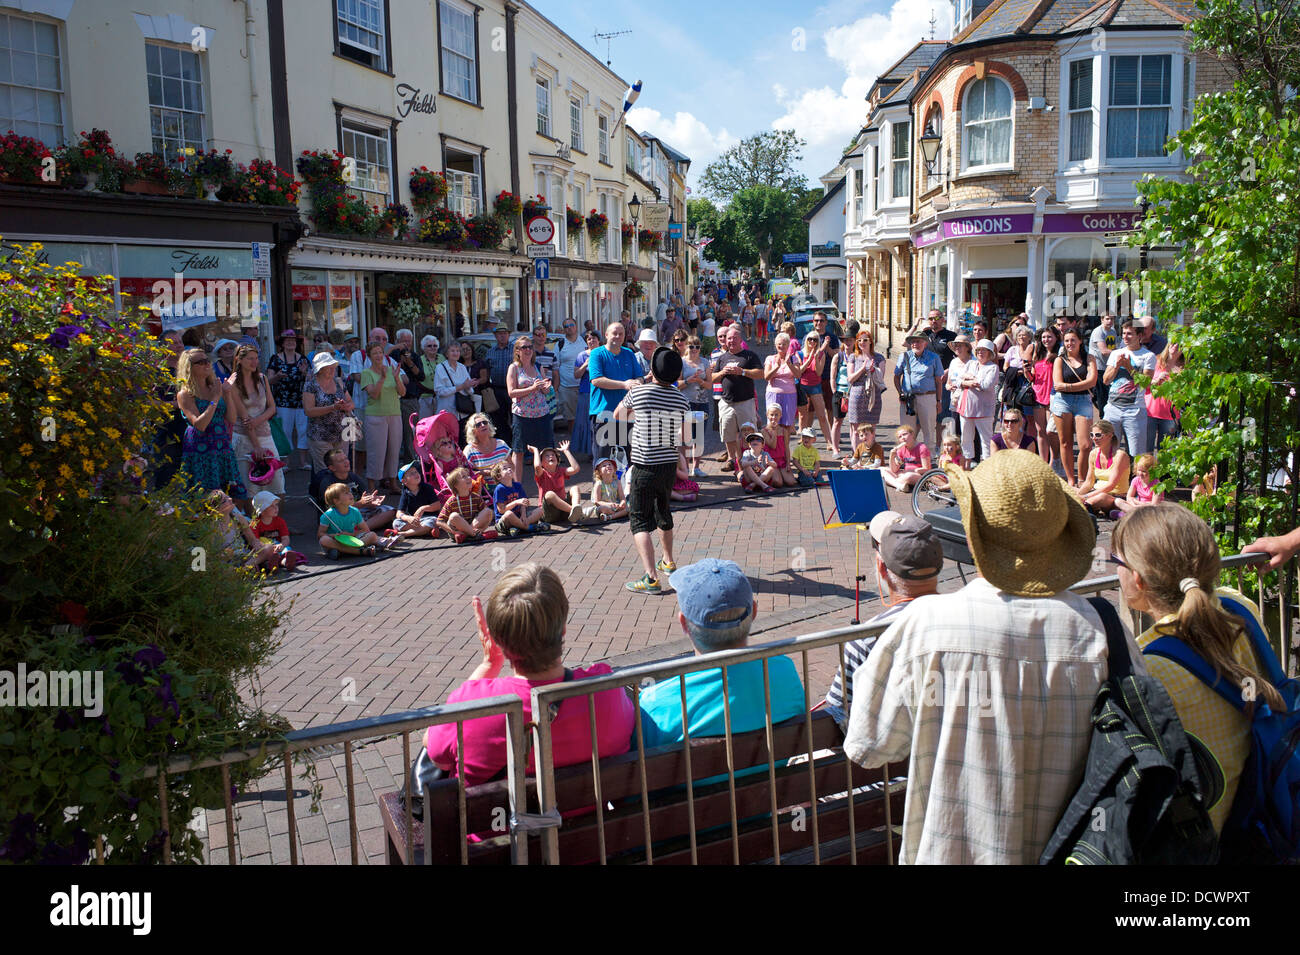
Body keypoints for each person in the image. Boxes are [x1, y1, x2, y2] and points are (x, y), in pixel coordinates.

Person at [846, 449, 1130, 864]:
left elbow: (870, 746)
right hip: (1074, 852)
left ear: (973, 528)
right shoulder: (1102, 627)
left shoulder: (927, 625)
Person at [1113, 504, 1284, 834]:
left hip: (1210, 834)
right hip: (1264, 805)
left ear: (1137, 578)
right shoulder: (1241, 606)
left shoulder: (1148, 668)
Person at [424, 564, 636, 786]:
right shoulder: (605, 688)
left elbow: (436, 755)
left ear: (499, 639)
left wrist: (489, 665)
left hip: (496, 820)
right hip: (596, 819)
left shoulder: (472, 703)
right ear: (563, 627)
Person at [637, 558, 804, 747]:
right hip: (781, 777)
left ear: (684, 623)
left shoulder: (655, 703)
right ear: (754, 612)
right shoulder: (785, 671)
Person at [823, 512, 942, 727]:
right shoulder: (969, 621)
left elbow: (837, 715)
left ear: (881, 567)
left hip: (891, 756)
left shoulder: (865, 640)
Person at [615, 346, 691, 595]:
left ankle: (651, 578)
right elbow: (687, 436)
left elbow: (619, 415)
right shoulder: (681, 398)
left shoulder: (640, 392)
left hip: (644, 463)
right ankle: (668, 561)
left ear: (652, 370)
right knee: (663, 510)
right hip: (668, 463)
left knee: (639, 520)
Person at [177, 347, 246, 504]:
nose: (206, 364)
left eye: (207, 360)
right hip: (201, 449)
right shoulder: (185, 394)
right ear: (189, 367)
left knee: (232, 492)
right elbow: (199, 425)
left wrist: (227, 393)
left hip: (221, 445)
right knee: (204, 496)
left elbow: (231, 418)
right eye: (200, 362)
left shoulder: (215, 387)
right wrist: (215, 399)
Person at [228, 343, 284, 497]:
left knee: (277, 486)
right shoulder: (233, 383)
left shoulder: (262, 378)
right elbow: (244, 418)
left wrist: (258, 420)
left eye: (256, 358)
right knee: (250, 488)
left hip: (265, 433)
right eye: (250, 359)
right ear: (239, 360)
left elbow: (272, 407)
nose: (255, 362)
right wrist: (257, 446)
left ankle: (274, 519)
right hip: (244, 437)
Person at [587, 321, 642, 466]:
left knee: (627, 457)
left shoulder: (629, 353)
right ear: (606, 335)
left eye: (621, 334)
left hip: (627, 413)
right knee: (603, 458)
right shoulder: (597, 354)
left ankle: (623, 488)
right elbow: (596, 380)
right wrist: (625, 384)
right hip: (603, 413)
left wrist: (638, 383)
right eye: (614, 333)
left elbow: (639, 376)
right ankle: (600, 489)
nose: (618, 337)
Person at [712, 324, 764, 473]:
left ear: (740, 339)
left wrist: (742, 372)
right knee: (728, 433)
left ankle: (752, 460)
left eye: (734, 338)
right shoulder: (722, 358)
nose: (731, 341)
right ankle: (732, 460)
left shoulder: (749, 355)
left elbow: (760, 374)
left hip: (745, 402)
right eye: (729, 338)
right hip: (726, 403)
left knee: (749, 434)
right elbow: (713, 379)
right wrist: (722, 372)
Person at [1052, 329, 1099, 487]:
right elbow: (1057, 384)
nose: (1069, 344)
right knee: (1065, 443)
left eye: (1073, 340)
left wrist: (1068, 386)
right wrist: (1079, 385)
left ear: (1080, 341)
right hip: (1062, 402)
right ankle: (1071, 480)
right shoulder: (1060, 360)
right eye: (1066, 341)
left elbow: (1092, 382)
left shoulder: (1089, 358)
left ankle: (1082, 479)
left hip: (1083, 401)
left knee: (1085, 444)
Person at [1102, 319, 1157, 456]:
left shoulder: (1148, 356)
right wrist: (1117, 366)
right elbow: (1106, 380)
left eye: (1130, 334)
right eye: (1124, 333)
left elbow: (1146, 383)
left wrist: (1129, 367)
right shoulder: (1116, 353)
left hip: (1135, 410)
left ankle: (1135, 478)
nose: (1125, 337)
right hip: (1112, 409)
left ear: (1139, 336)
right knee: (1109, 450)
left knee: (1136, 454)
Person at [506, 335, 555, 482]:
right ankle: (517, 486)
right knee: (519, 451)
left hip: (542, 414)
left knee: (545, 452)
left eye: (530, 347)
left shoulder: (538, 366)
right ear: (517, 351)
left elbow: (546, 391)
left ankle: (548, 485)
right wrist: (533, 388)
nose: (528, 350)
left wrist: (546, 388)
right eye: (524, 347)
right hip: (522, 415)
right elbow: (511, 392)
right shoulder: (514, 368)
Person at [309, 448, 395, 530]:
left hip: (356, 511)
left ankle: (359, 528)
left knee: (391, 511)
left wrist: (371, 501)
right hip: (338, 516)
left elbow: (364, 499)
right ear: (332, 468)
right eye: (340, 461)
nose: (346, 462)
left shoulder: (353, 476)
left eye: (346, 458)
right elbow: (335, 511)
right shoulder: (328, 483)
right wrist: (361, 503)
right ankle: (362, 528)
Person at [360, 340, 406, 494]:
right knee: (376, 452)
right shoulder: (366, 373)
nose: (378, 355)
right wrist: (382, 378)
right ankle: (372, 484)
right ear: (370, 356)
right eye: (375, 353)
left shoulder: (391, 369)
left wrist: (397, 377)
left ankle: (392, 482)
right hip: (375, 416)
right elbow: (373, 393)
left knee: (394, 450)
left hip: (394, 414)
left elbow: (402, 392)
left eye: (380, 352)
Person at [265, 329, 311, 470]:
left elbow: (311, 379)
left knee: (303, 431)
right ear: (282, 343)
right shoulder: (275, 358)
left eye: (293, 340)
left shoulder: (303, 359)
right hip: (283, 402)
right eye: (287, 340)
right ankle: (286, 462)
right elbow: (268, 381)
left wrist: (305, 373)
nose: (291, 342)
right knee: (285, 431)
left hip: (300, 401)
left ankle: (303, 462)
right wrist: (278, 376)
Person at [302, 352, 355, 472]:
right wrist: (332, 407)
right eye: (328, 367)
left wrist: (346, 406)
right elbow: (309, 411)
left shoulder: (339, 382)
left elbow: (352, 403)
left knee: (342, 470)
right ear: (319, 370)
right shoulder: (311, 385)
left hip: (341, 434)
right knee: (324, 472)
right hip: (320, 436)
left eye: (333, 367)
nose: (332, 370)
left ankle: (340, 491)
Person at [894, 331, 945, 449]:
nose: (915, 344)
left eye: (918, 341)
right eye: (913, 341)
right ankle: (906, 455)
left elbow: (938, 381)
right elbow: (896, 376)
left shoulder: (934, 357)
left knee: (929, 429)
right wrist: (900, 392)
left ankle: (930, 457)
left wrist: (939, 401)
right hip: (908, 398)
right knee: (906, 430)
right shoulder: (904, 356)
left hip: (928, 397)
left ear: (925, 343)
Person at [953, 339, 998, 463]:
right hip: (966, 407)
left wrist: (970, 379)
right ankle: (967, 464)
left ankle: (987, 465)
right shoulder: (970, 364)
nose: (980, 353)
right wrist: (967, 382)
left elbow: (986, 385)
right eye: (979, 350)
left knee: (986, 439)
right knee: (966, 438)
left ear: (989, 353)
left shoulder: (993, 368)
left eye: (984, 350)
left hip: (984, 409)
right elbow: (957, 380)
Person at [843, 328, 885, 454]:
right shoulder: (853, 357)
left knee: (871, 428)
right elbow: (850, 378)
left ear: (871, 342)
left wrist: (873, 370)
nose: (862, 342)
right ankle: (857, 455)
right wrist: (862, 369)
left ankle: (869, 455)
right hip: (857, 394)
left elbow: (881, 379)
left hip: (873, 395)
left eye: (865, 340)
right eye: (859, 340)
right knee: (856, 428)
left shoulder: (879, 358)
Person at [318, 481, 386, 558]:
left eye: (349, 492)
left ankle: (344, 551)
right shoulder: (327, 515)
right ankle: (360, 551)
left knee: (372, 535)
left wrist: (351, 534)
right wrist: (333, 535)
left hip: (352, 540)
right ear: (336, 501)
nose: (350, 494)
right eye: (346, 493)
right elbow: (320, 534)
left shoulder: (355, 511)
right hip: (336, 541)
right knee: (324, 540)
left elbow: (366, 530)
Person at [1079, 418, 1130, 518]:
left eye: (1098, 435)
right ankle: (1085, 506)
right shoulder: (1093, 453)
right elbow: (1088, 482)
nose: (1094, 438)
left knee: (1100, 497)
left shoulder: (1120, 456)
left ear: (1110, 435)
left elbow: (1111, 486)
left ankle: (1085, 509)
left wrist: (1084, 497)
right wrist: (1077, 495)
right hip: (1095, 492)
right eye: (1092, 435)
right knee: (1067, 489)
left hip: (1115, 496)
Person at [436, 466, 498, 543]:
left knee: (488, 511)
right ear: (455, 485)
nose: (469, 478)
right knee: (453, 516)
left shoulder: (476, 497)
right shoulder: (451, 501)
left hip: (472, 527)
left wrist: (480, 525)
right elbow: (439, 521)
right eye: (464, 477)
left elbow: (484, 515)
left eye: (468, 475)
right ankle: (479, 535)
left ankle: (470, 535)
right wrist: (454, 532)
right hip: (459, 531)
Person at [1028, 326, 1060, 466]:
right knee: (1040, 431)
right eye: (1044, 337)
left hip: (1053, 395)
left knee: (1051, 431)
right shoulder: (1038, 354)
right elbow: (1032, 377)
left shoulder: (1059, 354)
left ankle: (1054, 461)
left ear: (1056, 338)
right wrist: (1026, 371)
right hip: (1038, 394)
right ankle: (1043, 462)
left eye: (1049, 337)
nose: (1046, 340)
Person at [392, 329, 425, 463]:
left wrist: (409, 362)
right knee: (394, 436)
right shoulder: (391, 355)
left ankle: (411, 464)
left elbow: (421, 376)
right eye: (404, 341)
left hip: (410, 400)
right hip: (393, 400)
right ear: (397, 342)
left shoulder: (415, 356)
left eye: (409, 341)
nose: (407, 344)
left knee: (411, 434)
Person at [679, 335, 710, 477]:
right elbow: (676, 384)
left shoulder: (705, 362)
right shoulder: (682, 362)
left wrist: (700, 381)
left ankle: (696, 467)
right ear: (686, 347)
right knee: (686, 438)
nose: (694, 349)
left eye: (697, 346)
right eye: (691, 346)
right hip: (686, 403)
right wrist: (689, 380)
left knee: (699, 437)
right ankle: (685, 467)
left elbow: (710, 384)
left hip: (702, 403)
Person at [491, 459, 547, 536]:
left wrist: (523, 515)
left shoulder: (517, 485)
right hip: (504, 521)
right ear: (498, 476)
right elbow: (501, 510)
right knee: (508, 514)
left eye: (509, 467)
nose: (509, 469)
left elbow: (523, 503)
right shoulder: (499, 489)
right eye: (505, 468)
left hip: (519, 517)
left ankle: (518, 528)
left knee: (540, 510)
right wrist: (516, 502)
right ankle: (529, 528)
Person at [432, 340, 474, 442]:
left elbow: (471, 391)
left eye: (458, 351)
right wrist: (460, 387)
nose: (456, 353)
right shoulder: (440, 368)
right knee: (447, 441)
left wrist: (468, 386)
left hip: (463, 411)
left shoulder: (462, 367)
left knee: (462, 441)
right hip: (447, 411)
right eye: (452, 351)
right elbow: (439, 391)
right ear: (446, 353)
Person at [530, 442, 582, 524]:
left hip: (563, 511)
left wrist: (566, 451)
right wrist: (536, 450)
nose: (550, 456)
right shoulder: (541, 473)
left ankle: (575, 509)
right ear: (542, 463)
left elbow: (576, 468)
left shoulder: (561, 471)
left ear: (557, 461)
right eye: (546, 455)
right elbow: (537, 466)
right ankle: (575, 511)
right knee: (550, 494)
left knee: (575, 488)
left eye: (553, 455)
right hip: (548, 513)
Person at [463, 412, 512, 494]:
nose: (483, 425)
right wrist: (482, 473)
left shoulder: (501, 444)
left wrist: (500, 469)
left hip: (505, 488)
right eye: (478, 425)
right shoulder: (469, 450)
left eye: (485, 422)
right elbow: (465, 474)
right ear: (473, 431)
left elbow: (511, 465)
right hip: (483, 492)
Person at [1146, 342, 1184, 450]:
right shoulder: (1156, 361)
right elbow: (1143, 384)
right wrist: (1156, 380)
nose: (1175, 347)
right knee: (1146, 450)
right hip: (1150, 412)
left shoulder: (1183, 368)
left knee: (1165, 451)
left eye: (1179, 345)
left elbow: (1185, 393)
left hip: (1170, 415)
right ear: (1168, 346)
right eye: (1173, 344)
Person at [570, 330, 601, 458]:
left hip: (601, 393)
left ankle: (600, 449)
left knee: (600, 422)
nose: (591, 341)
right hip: (586, 393)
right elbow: (576, 375)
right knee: (586, 423)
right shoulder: (581, 356)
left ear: (599, 340)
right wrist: (585, 364)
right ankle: (589, 451)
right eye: (589, 339)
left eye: (594, 338)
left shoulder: (603, 353)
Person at [392, 462, 441, 539]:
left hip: (429, 517)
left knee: (432, 521)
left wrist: (423, 508)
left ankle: (403, 534)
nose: (416, 474)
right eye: (411, 474)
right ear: (404, 481)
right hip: (415, 521)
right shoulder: (405, 492)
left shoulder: (427, 487)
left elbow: (437, 505)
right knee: (396, 523)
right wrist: (408, 518)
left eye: (416, 472)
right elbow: (399, 513)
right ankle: (425, 531)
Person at [763, 332, 799, 433]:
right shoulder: (770, 359)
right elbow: (766, 377)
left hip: (789, 394)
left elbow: (798, 375)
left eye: (784, 344)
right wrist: (776, 367)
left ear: (788, 345)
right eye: (779, 344)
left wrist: (790, 364)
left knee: (787, 425)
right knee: (773, 423)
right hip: (773, 393)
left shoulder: (793, 358)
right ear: (775, 345)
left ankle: (785, 448)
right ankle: (773, 447)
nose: (781, 346)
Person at [483, 323, 515, 438]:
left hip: (513, 390)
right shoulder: (490, 352)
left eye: (504, 333)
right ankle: (504, 443)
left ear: (508, 335)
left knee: (515, 418)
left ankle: (516, 443)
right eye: (499, 334)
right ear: (495, 336)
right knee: (499, 420)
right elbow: (485, 370)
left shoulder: (515, 350)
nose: (502, 336)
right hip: (496, 390)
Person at [554, 318, 584, 431]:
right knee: (571, 419)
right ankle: (573, 445)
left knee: (585, 418)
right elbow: (555, 367)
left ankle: (585, 445)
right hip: (566, 388)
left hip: (584, 387)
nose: (569, 327)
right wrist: (556, 388)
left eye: (571, 325)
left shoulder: (585, 341)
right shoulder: (560, 344)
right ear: (564, 329)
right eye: (566, 326)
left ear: (576, 326)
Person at [882, 424, 930, 492]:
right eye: (900, 437)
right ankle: (900, 485)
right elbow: (894, 469)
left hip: (918, 476)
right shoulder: (901, 449)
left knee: (908, 476)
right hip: (904, 474)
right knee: (882, 470)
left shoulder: (922, 448)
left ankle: (895, 483)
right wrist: (892, 457)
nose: (903, 438)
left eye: (904, 434)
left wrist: (912, 471)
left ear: (912, 434)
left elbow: (927, 469)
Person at [1088, 313, 1118, 409]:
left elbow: (1114, 347)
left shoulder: (1113, 331)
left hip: (1108, 366)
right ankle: (1102, 416)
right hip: (1098, 366)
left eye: (1112, 319)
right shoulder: (1098, 331)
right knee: (1102, 394)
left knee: (1107, 392)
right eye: (1107, 319)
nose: (1110, 321)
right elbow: (1104, 351)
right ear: (1102, 320)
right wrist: (1120, 352)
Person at [762, 404, 796, 487]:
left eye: (776, 415)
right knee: (778, 483)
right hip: (771, 461)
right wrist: (774, 431)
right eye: (771, 415)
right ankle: (770, 477)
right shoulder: (764, 430)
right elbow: (772, 446)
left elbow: (786, 448)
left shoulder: (784, 430)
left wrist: (788, 463)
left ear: (780, 415)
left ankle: (781, 474)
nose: (774, 417)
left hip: (782, 460)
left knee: (791, 482)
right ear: (767, 415)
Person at [415, 335, 445, 420]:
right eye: (429, 346)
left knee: (439, 423)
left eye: (435, 346)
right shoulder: (419, 360)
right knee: (426, 424)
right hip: (425, 398)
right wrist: (431, 391)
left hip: (440, 397)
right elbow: (417, 380)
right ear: (423, 348)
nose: (432, 348)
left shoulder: (442, 358)